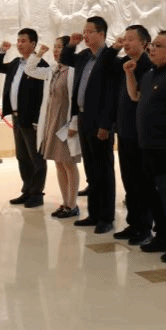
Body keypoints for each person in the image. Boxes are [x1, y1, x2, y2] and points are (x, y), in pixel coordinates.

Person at [125, 30, 166, 262]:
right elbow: (135, 96)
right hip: (148, 146)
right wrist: (129, 74)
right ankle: (162, 236)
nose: (151, 49)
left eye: (157, 45)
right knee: (154, 195)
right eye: (151, 45)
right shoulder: (150, 73)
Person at [60, 16, 119, 231]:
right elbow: (65, 59)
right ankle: (93, 213)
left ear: (101, 34)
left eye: (89, 31)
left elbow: (111, 95)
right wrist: (71, 44)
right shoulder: (84, 56)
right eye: (84, 31)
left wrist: (106, 125)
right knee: (91, 169)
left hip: (100, 121)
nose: (85, 35)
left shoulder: (110, 58)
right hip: (83, 118)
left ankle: (106, 217)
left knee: (104, 170)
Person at [24, 36, 81, 217]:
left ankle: (72, 205)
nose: (56, 51)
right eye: (55, 47)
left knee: (69, 164)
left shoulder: (73, 72)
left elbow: (77, 101)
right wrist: (38, 54)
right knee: (58, 163)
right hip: (51, 122)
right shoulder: (52, 71)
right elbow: (29, 69)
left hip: (66, 123)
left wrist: (74, 123)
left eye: (60, 47)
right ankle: (65, 203)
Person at [0, 29, 49, 208]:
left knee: (36, 157)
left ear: (33, 44)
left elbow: (42, 96)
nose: (19, 44)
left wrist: (37, 120)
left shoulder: (41, 64)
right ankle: (27, 190)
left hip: (30, 118)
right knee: (22, 156)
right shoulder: (16, 63)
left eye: (23, 41)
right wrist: (1, 51)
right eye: (18, 40)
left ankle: (37, 193)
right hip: (17, 117)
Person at [111, 24, 154, 245]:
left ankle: (144, 227)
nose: (126, 43)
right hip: (125, 131)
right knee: (129, 180)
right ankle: (134, 223)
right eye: (124, 39)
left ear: (144, 43)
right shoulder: (124, 64)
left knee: (141, 182)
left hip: (141, 134)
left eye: (130, 39)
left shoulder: (148, 67)